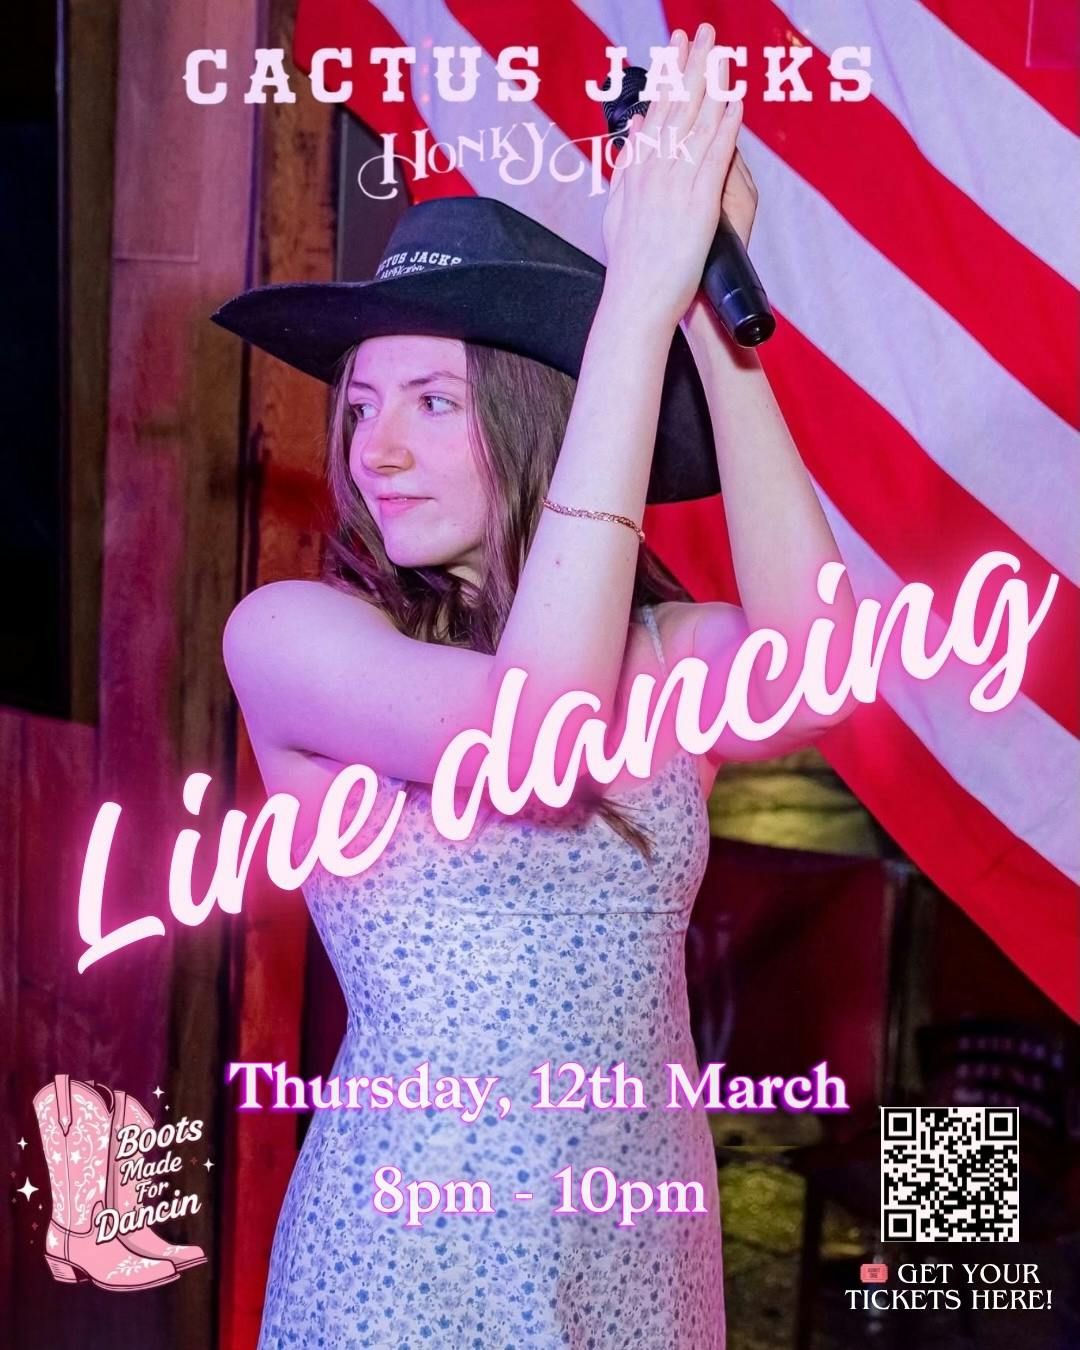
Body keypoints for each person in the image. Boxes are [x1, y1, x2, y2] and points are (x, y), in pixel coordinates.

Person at [214, 24, 857, 1349]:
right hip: (421, 1253)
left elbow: (824, 670)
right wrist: (630, 306)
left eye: (432, 402)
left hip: (637, 1241)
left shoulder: (662, 654)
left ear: (529, 417)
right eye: (360, 406)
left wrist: (705, 322)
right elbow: (537, 737)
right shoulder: (293, 637)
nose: (375, 449)